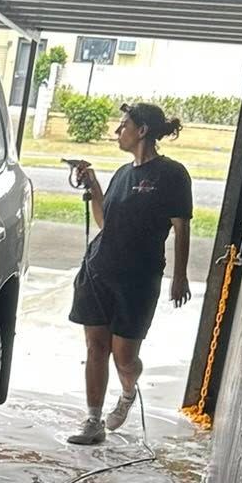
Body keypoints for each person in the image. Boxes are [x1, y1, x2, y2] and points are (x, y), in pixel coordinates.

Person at [65, 101, 193, 445]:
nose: (117, 132)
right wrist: (92, 185)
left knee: (125, 356)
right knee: (95, 347)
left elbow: (181, 228)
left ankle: (126, 391)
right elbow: (106, 221)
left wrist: (179, 277)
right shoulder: (122, 174)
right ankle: (93, 421)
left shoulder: (172, 174)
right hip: (98, 271)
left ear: (143, 131)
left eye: (123, 126)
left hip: (138, 278)